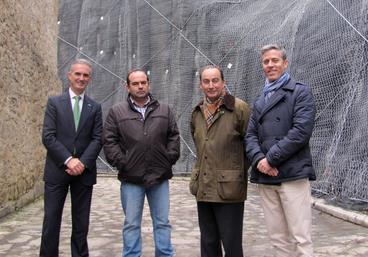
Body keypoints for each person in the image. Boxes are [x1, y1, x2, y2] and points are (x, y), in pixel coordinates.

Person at [246, 44, 316, 257]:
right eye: (266, 61)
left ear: (285, 63)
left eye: (275, 60)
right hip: (267, 177)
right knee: (277, 239)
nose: (270, 65)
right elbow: (250, 136)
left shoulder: (300, 92)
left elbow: (300, 132)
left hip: (292, 175)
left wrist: (271, 160)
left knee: (300, 238)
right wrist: (259, 160)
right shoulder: (260, 100)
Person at [103, 69, 180, 257]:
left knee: (162, 222)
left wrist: (168, 158)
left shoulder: (164, 109)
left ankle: (164, 254)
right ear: (127, 86)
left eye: (143, 82)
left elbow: (173, 136)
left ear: (149, 84)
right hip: (131, 178)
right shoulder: (117, 111)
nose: (140, 86)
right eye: (135, 83)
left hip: (159, 177)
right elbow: (109, 140)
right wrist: (123, 162)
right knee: (131, 224)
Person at [40, 59, 103, 257]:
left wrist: (82, 162)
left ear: (89, 79)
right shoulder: (54, 103)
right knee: (51, 221)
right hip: (57, 170)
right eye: (78, 74)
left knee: (81, 222)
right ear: (69, 75)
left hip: (83, 173)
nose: (81, 78)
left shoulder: (95, 106)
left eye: (85, 75)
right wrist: (69, 160)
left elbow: (97, 138)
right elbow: (48, 136)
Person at [189, 65, 251, 257]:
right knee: (208, 243)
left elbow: (251, 145)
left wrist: (235, 172)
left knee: (231, 244)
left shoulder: (239, 108)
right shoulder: (197, 112)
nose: (211, 85)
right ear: (201, 85)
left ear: (223, 82)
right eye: (206, 81)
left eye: (215, 80)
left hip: (229, 189)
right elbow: (201, 146)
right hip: (204, 187)